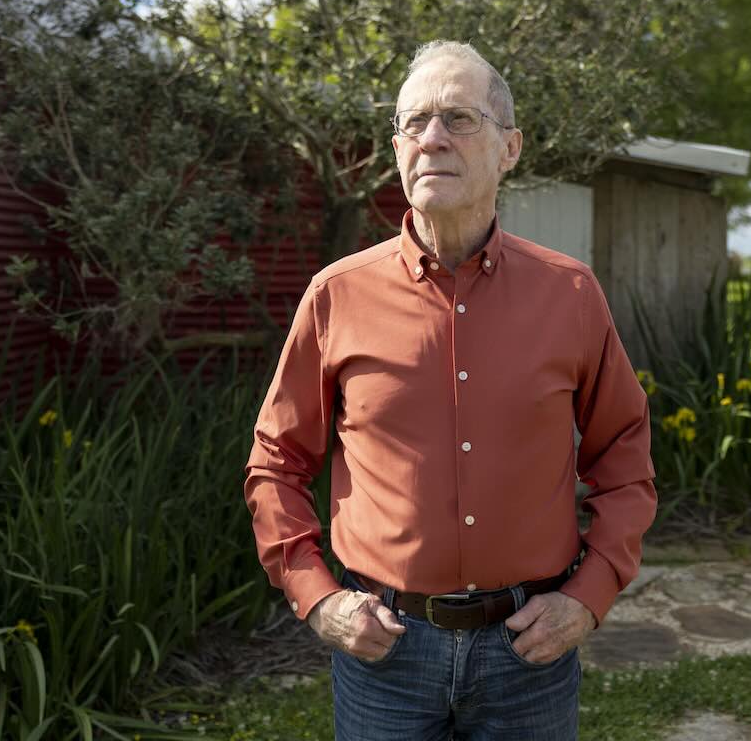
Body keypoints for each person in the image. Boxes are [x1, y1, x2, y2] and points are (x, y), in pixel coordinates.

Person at [244, 41, 657, 739]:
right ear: (398, 148)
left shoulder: (571, 293)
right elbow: (274, 465)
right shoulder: (336, 296)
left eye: (458, 119)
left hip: (529, 652)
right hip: (386, 655)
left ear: (510, 149)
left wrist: (589, 597)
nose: (431, 138)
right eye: (414, 122)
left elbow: (624, 456)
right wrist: (319, 600)